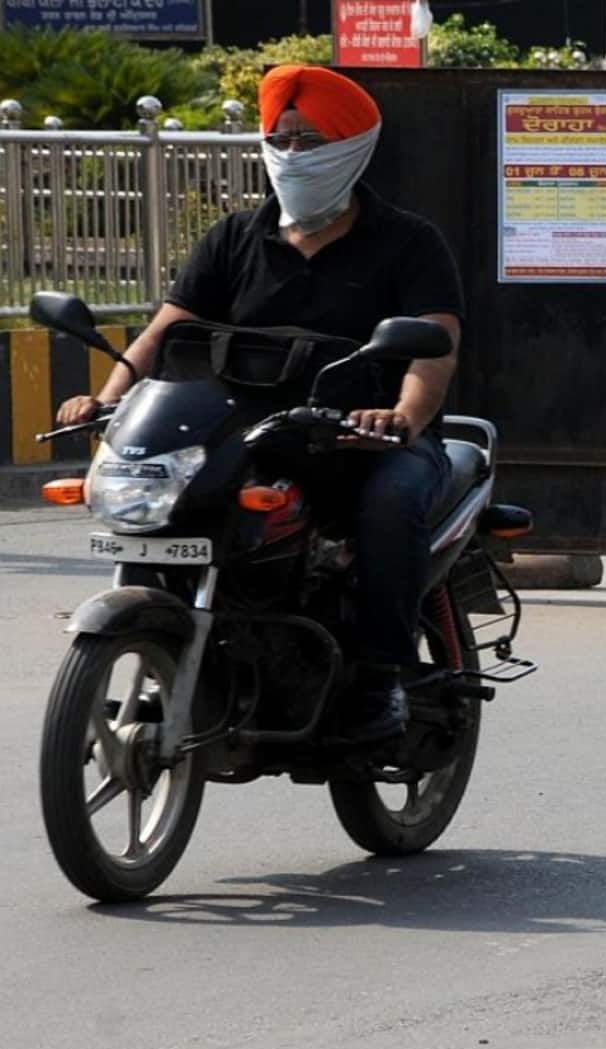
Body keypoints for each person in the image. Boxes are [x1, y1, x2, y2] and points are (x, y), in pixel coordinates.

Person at [55, 65, 464, 747]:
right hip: (244, 436)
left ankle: (379, 678)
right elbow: (165, 335)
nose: (294, 153)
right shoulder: (234, 239)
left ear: (353, 146)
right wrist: (106, 400)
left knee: (390, 506)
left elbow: (435, 349)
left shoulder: (409, 241)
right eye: (282, 138)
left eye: (312, 139)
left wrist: (402, 417)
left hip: (364, 439)